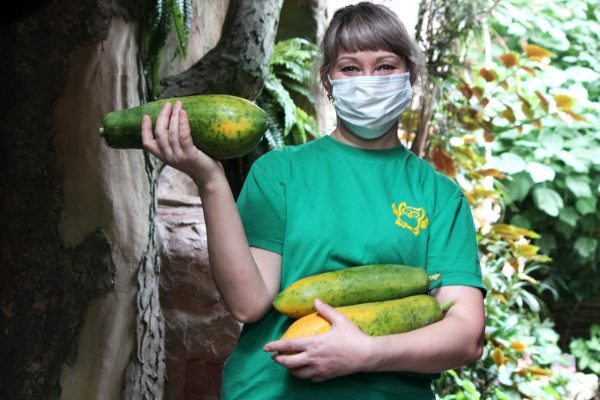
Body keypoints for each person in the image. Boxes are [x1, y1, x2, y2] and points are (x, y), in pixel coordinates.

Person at [141, 2, 486, 399]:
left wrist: (366, 354)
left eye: (386, 66)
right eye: (350, 68)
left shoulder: (440, 197)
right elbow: (249, 304)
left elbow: (466, 334)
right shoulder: (280, 173)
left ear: (410, 77)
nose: (368, 80)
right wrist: (210, 179)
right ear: (328, 81)